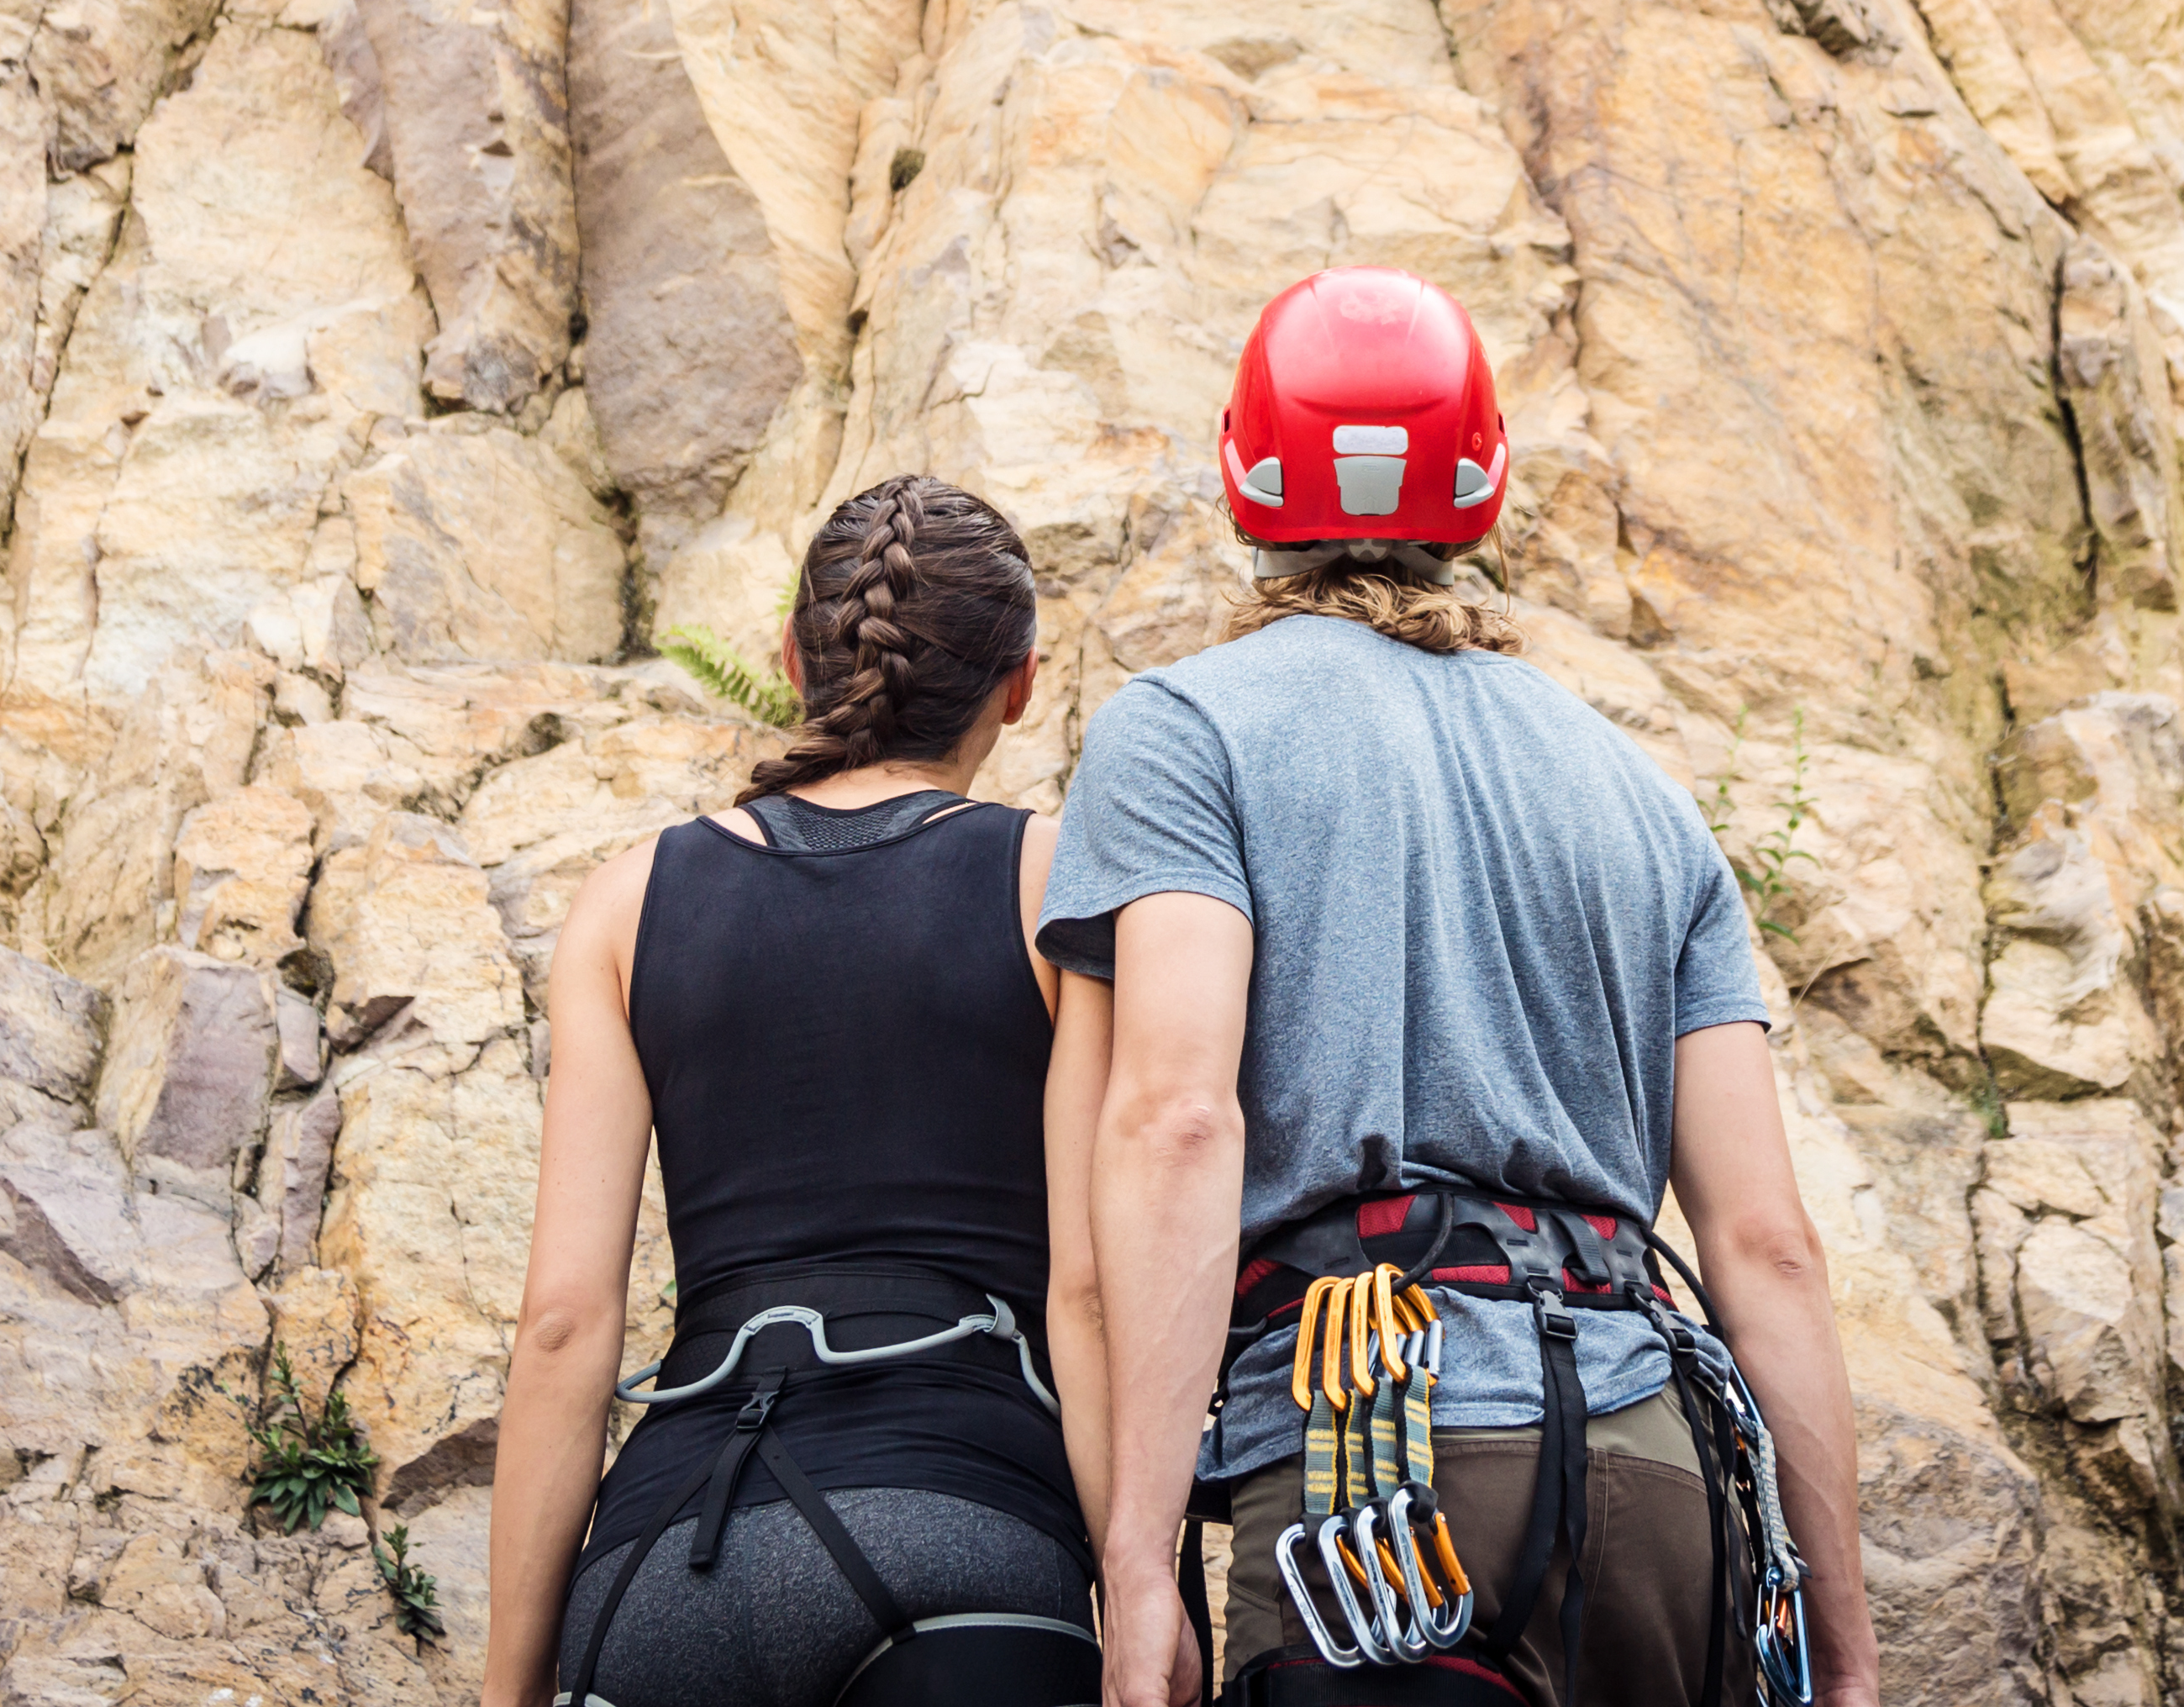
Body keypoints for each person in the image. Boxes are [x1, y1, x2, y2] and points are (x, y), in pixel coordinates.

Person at [1044, 271, 1883, 1707]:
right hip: (1651, 1475)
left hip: (1365, 1480)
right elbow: (1767, 1244)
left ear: (1247, 478)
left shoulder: (1182, 734)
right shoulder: (1639, 795)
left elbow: (1179, 1119)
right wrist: (1845, 1655)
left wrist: (1135, 1569)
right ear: (1480, 485)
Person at [487, 477, 1113, 1707]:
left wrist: (511, 1689)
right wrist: (1144, 1580)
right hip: (963, 1532)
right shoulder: (1050, 883)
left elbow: (562, 1321)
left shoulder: (630, 898)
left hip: (667, 1561)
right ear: (1020, 682)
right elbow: (1090, 1295)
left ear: (792, 654)